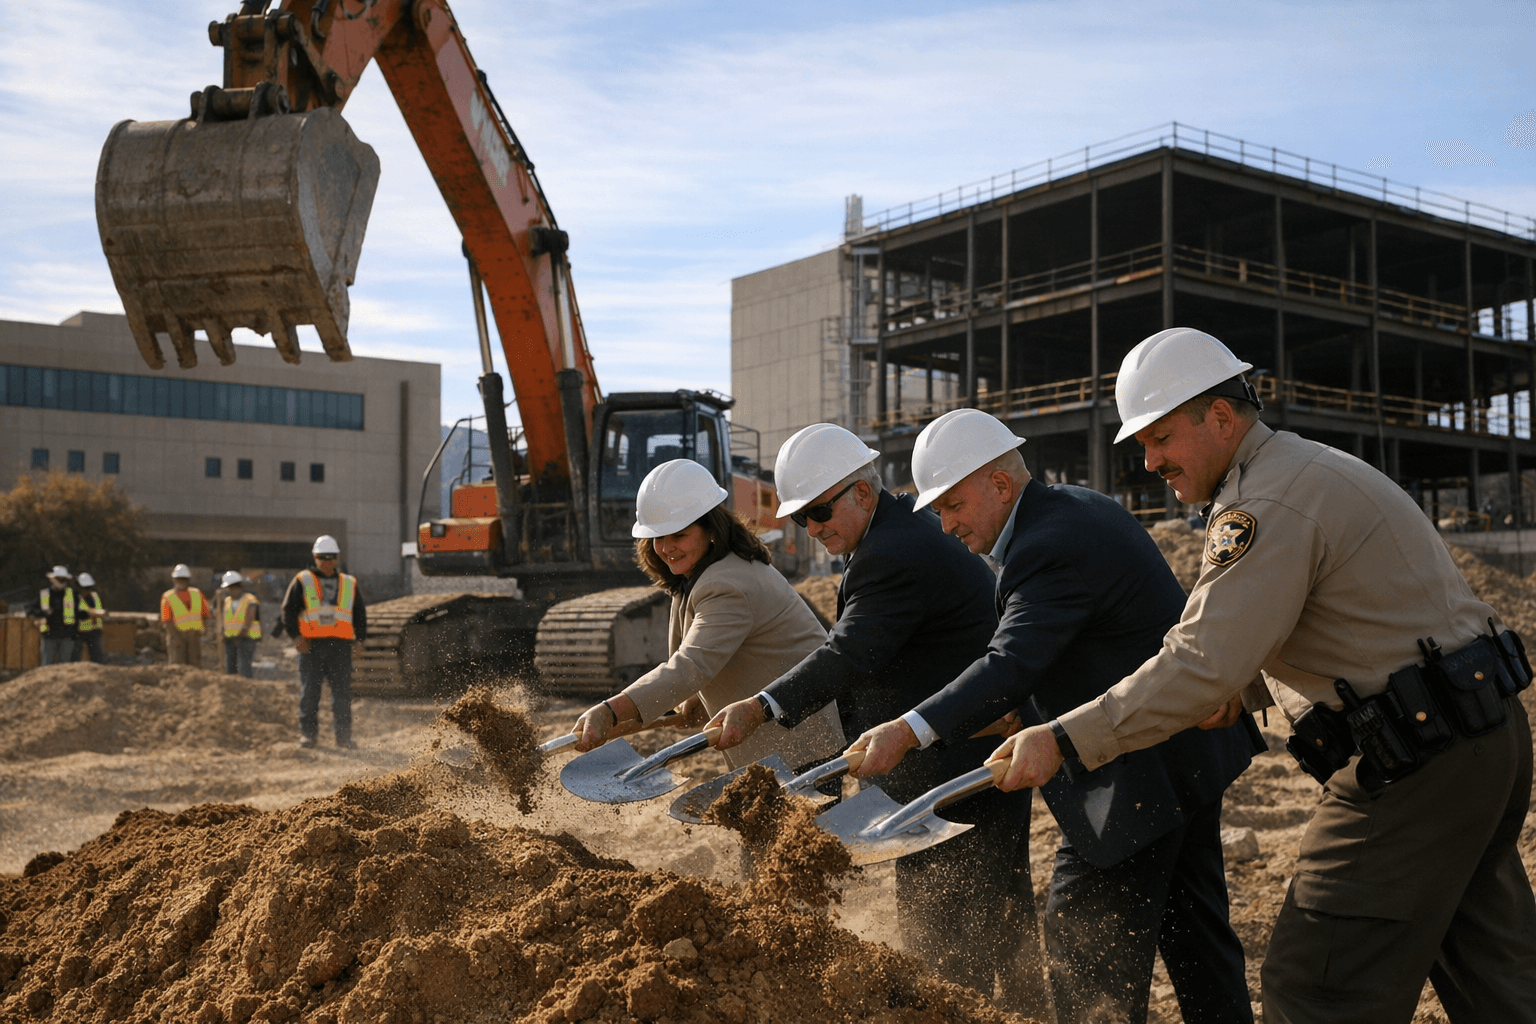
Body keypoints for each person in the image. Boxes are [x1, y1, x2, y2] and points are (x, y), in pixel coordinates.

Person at [997, 327, 1536, 1024]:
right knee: (1498, 981)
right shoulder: (1305, 470)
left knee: (1313, 987)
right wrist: (1244, 691)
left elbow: (1199, 660)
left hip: (1414, 765)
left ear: (1220, 418)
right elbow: (1343, 616)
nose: (1149, 461)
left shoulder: (1262, 505)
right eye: (1143, 445)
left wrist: (1064, 738)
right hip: (1480, 739)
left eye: (1160, 438)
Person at [846, 408, 1264, 1024]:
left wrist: (909, 730)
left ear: (998, 483)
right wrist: (1011, 716)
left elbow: (1010, 660)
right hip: (1186, 757)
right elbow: (1076, 644)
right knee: (1197, 938)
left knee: (1083, 944)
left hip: (1136, 779)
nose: (946, 523)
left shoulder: (1044, 546)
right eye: (937, 509)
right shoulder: (1072, 509)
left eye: (954, 504)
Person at [706, 423, 1042, 1013]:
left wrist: (763, 706)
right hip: (969, 760)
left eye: (818, 512)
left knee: (943, 945)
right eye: (800, 520)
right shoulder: (893, 535)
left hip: (947, 773)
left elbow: (850, 651)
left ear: (861, 493)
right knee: (1002, 922)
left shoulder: (891, 552)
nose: (811, 530)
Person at [571, 459, 845, 778]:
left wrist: (612, 710)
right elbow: (709, 658)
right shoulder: (699, 575)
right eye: (658, 538)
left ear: (710, 528)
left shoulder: (725, 584)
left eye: (679, 535)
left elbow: (690, 666)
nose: (666, 548)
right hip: (778, 741)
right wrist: (694, 697)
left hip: (800, 743)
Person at [282, 535, 367, 749]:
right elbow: (288, 610)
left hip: (340, 647)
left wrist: (360, 640)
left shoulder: (349, 582)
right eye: (322, 557)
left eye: (331, 557)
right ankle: (308, 735)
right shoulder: (302, 580)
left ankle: (344, 738)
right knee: (310, 693)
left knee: (342, 695)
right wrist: (296, 637)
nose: (327, 561)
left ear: (337, 557)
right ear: (315, 556)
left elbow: (360, 614)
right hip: (312, 647)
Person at [160, 563, 212, 667]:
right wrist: (176, 638)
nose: (181, 581)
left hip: (194, 636)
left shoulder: (197, 593)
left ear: (188, 580)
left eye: (183, 579)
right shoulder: (168, 597)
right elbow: (167, 622)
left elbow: (205, 615)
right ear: (174, 580)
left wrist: (205, 631)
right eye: (179, 578)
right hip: (176, 636)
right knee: (177, 667)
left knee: (195, 667)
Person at [33, 566, 79, 666]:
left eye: (64, 579)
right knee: (47, 664)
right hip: (49, 635)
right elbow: (32, 610)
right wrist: (43, 613)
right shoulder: (44, 594)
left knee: (65, 666)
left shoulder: (73, 594)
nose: (62, 581)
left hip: (67, 635)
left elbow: (80, 611)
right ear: (52, 579)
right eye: (60, 579)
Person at [220, 570, 262, 678]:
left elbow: (250, 618)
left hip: (246, 638)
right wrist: (224, 634)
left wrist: (241, 634)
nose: (230, 590)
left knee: (244, 668)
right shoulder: (227, 601)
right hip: (230, 639)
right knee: (230, 670)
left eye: (232, 587)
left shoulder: (250, 599)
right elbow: (226, 620)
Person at [74, 572, 107, 663]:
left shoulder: (95, 596)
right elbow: (78, 614)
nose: (87, 590)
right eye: (85, 588)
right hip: (79, 630)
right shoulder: (75, 598)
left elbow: (99, 611)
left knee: (97, 656)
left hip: (94, 630)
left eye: (88, 588)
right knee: (75, 657)